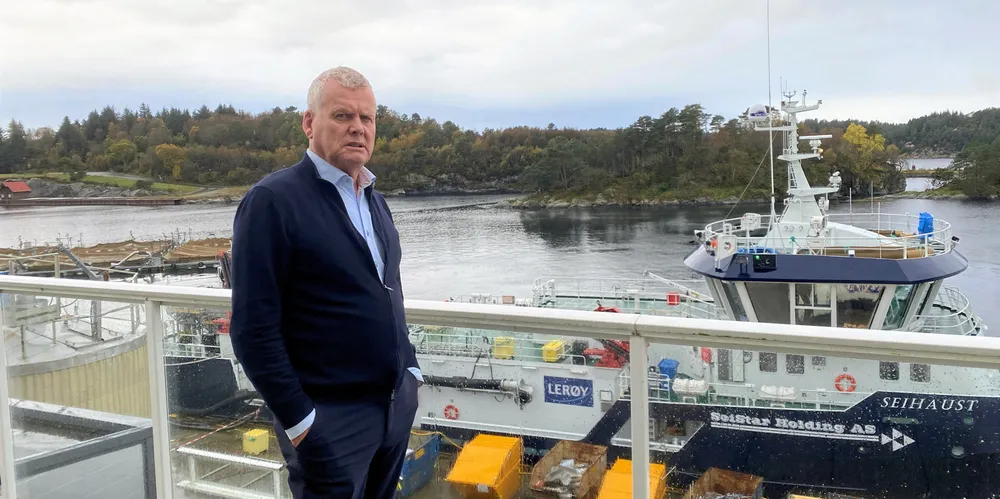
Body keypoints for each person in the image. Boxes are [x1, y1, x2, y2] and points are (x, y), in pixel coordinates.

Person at [229, 66, 421, 499]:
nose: (357, 128)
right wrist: (301, 423)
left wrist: (410, 372)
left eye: (367, 118)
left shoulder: (375, 201)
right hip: (329, 420)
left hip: (392, 408)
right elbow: (252, 329)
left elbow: (389, 292)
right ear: (309, 123)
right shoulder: (272, 201)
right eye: (342, 115)